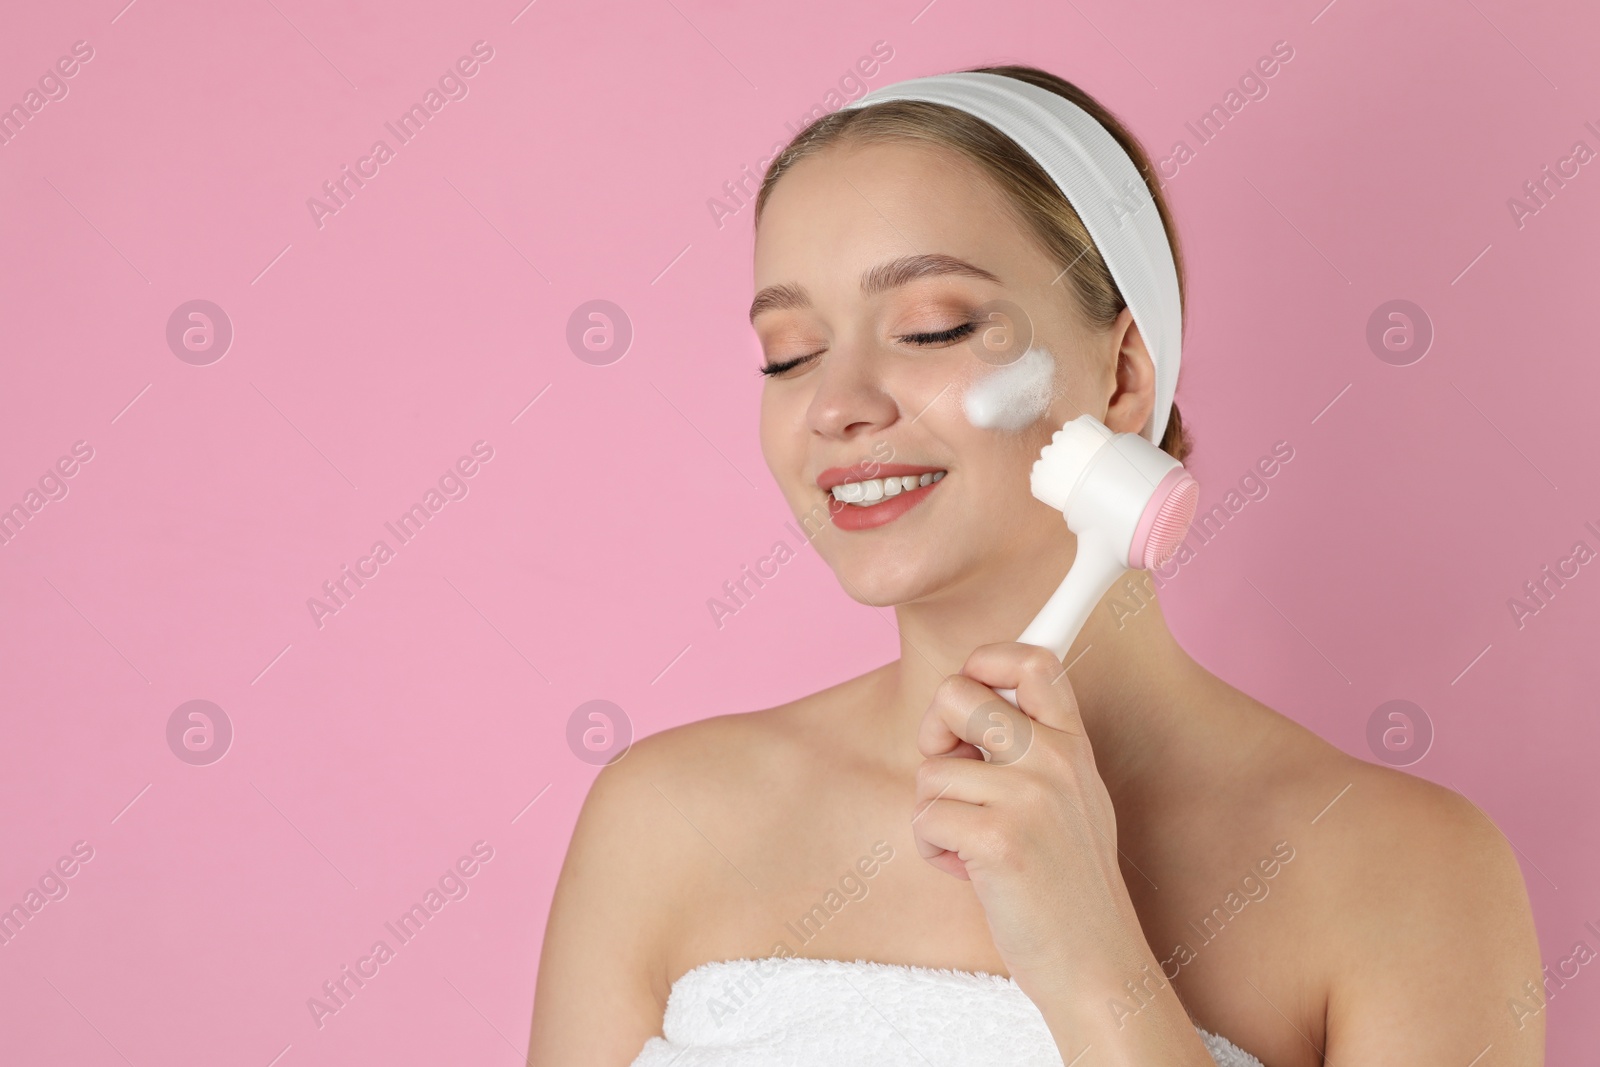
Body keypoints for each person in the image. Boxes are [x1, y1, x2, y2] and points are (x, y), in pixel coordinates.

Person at [526, 64, 1543, 1067]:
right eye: (789, 353)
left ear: (1122, 376)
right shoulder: (662, 821)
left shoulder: (1409, 874)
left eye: (932, 326)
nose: (834, 404)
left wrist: (1090, 956)